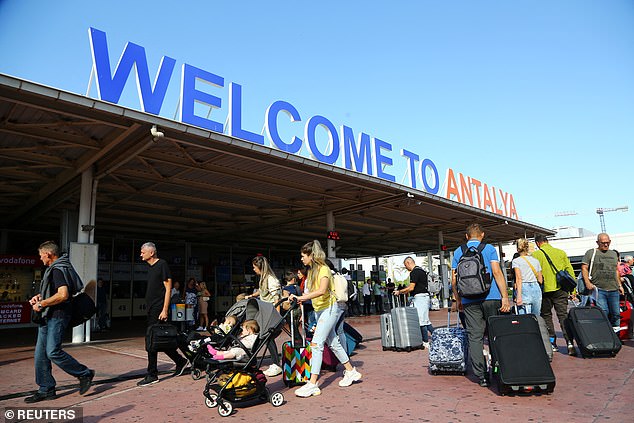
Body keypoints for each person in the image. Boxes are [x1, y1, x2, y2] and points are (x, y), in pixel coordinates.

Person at [288, 240, 362, 397]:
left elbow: (322, 291)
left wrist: (302, 297)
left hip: (329, 309)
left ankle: (313, 383)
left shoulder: (323, 269)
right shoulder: (313, 271)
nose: (301, 259)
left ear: (311, 255)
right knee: (333, 343)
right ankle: (351, 371)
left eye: (303, 256)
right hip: (319, 310)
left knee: (316, 344)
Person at [25, 241, 95, 403]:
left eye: (41, 255)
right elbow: (55, 292)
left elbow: (63, 295)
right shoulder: (57, 268)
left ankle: (84, 373)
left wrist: (42, 304)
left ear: (48, 254)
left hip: (57, 316)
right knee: (40, 355)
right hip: (47, 316)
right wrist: (40, 297)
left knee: (52, 351)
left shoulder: (57, 269)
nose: (40, 258)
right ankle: (46, 389)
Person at [451, 223, 510, 388]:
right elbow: (497, 272)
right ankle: (499, 369)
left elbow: (454, 280)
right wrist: (505, 297)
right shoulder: (489, 248)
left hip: (469, 300)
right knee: (494, 335)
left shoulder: (458, 251)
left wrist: (459, 300)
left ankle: (482, 376)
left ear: (466, 236)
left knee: (475, 337)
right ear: (482, 235)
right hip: (491, 297)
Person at [137, 242, 188, 387]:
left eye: (142, 252)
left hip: (159, 309)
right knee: (161, 339)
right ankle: (180, 361)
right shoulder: (150, 268)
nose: (141, 254)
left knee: (151, 340)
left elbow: (168, 288)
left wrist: (165, 309)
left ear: (151, 253)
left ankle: (152, 374)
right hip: (152, 308)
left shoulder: (162, 264)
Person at [532, 234, 576, 356]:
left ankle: (552, 343)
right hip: (561, 289)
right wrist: (573, 290)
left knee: (546, 316)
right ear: (547, 241)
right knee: (563, 316)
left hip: (545, 291)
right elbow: (569, 270)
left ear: (537, 243)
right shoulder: (560, 252)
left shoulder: (535, 255)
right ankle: (569, 343)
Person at [580, 233, 623, 333]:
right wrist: (587, 283)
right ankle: (605, 334)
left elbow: (616, 270)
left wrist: (620, 285)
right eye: (603, 243)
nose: (606, 245)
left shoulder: (613, 254)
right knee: (604, 312)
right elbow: (584, 267)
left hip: (613, 288)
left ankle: (615, 336)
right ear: (597, 242)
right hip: (598, 289)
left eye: (608, 243)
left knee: (616, 313)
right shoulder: (591, 252)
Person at [247, 255, 282, 377]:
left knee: (267, 338)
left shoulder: (271, 279)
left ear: (259, 267)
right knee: (261, 337)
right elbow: (262, 292)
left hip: (270, 314)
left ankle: (276, 365)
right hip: (264, 313)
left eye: (254, 267)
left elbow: (277, 299)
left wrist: (277, 317)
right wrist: (252, 296)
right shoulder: (263, 278)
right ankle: (252, 361)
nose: (253, 269)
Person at [394, 257, 434, 348]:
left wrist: (399, 292)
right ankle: (438, 336)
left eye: (405, 265)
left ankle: (425, 342)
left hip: (420, 298)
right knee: (426, 320)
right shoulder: (422, 270)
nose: (406, 268)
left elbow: (411, 288)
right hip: (425, 297)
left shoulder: (414, 272)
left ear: (408, 263)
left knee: (421, 321)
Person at [511, 238, 543, 315]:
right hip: (536, 288)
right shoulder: (535, 261)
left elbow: (519, 279)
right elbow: (540, 279)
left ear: (518, 248)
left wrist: (518, 296)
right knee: (536, 317)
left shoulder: (516, 261)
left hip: (524, 287)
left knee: (524, 319)